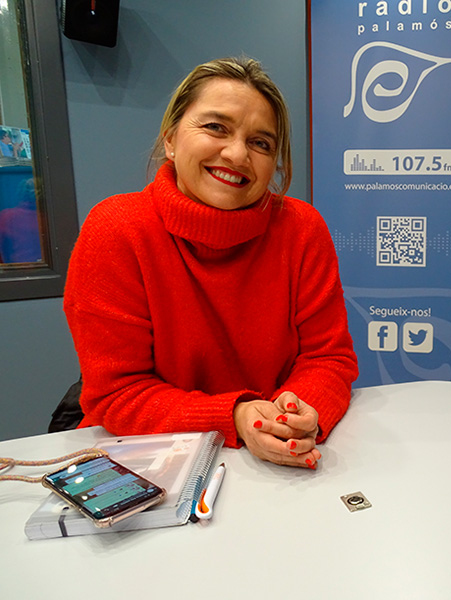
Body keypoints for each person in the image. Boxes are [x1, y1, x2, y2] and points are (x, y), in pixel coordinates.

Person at [64, 57, 358, 469]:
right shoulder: (116, 229)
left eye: (261, 143)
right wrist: (235, 417)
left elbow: (329, 359)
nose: (237, 154)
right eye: (216, 127)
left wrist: (295, 412)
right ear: (170, 139)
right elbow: (117, 393)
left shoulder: (302, 228)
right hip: (149, 459)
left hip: (274, 461)